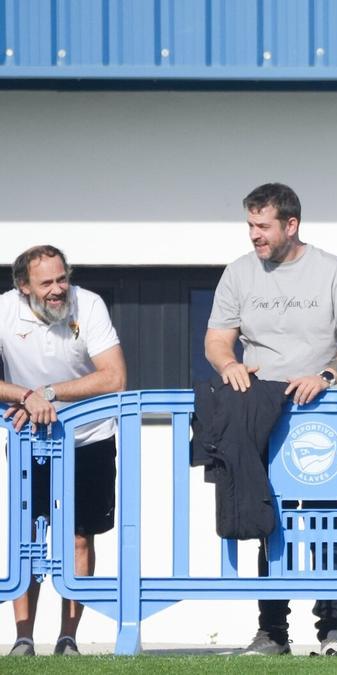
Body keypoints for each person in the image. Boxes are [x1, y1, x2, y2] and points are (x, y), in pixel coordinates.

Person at [204, 183, 337, 656]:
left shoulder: (332, 271)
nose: (254, 235)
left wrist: (327, 374)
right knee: (267, 514)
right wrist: (229, 365)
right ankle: (272, 630)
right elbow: (217, 339)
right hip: (260, 405)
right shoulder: (239, 273)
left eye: (263, 226)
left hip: (321, 408)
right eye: (250, 226)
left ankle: (332, 629)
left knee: (327, 518)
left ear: (291, 225)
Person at [0, 245, 127, 656]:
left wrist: (47, 394)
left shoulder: (88, 305)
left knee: (79, 539)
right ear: (23, 287)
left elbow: (115, 378)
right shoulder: (3, 311)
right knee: (29, 539)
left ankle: (68, 639)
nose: (58, 289)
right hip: (29, 440)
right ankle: (23, 640)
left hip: (89, 437)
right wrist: (24, 396)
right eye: (47, 282)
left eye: (62, 278)